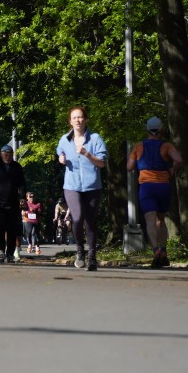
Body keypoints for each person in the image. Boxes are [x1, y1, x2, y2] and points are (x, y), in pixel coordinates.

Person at [127, 116, 183, 268]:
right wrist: (172, 170)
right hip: (163, 186)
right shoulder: (166, 146)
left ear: (147, 130)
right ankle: (164, 251)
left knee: (150, 221)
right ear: (160, 130)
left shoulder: (138, 146)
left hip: (146, 188)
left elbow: (129, 167)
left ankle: (155, 250)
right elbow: (178, 160)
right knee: (161, 220)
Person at [56, 105, 107, 270]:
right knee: (77, 218)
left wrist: (87, 154)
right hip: (72, 186)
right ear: (70, 121)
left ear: (86, 120)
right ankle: (79, 250)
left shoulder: (95, 139)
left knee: (90, 221)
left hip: (92, 186)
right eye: (74, 118)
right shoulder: (64, 139)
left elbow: (102, 163)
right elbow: (60, 152)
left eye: (80, 117)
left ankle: (92, 257)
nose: (77, 120)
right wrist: (61, 158)